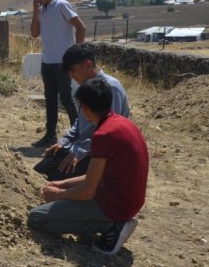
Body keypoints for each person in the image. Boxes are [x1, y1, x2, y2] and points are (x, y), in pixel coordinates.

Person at [27, 77, 149, 255]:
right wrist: (63, 184)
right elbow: (96, 176)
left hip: (114, 205)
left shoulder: (103, 135)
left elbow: (87, 192)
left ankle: (109, 225)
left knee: (36, 217)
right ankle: (110, 222)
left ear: (84, 108)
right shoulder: (123, 123)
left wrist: (59, 195)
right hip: (129, 201)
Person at [34, 43, 130, 181]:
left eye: (73, 70)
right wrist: (65, 141)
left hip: (98, 152)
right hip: (80, 146)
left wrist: (78, 153)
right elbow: (80, 121)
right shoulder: (86, 87)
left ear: (88, 64)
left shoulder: (110, 88)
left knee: (52, 179)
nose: (72, 76)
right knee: (38, 172)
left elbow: (108, 134)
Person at [29, 0, 86, 147]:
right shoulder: (42, 9)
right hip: (47, 61)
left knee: (67, 99)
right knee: (50, 99)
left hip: (63, 62)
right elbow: (34, 33)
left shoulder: (61, 5)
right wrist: (34, 10)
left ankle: (78, 135)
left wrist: (76, 54)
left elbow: (81, 27)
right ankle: (50, 135)